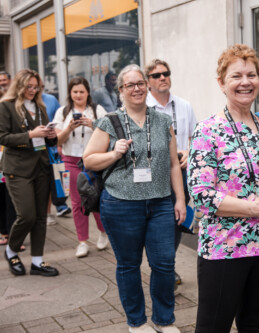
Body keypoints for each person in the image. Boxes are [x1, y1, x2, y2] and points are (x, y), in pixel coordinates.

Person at [188, 44, 259, 333]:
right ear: (221, 83)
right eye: (236, 76)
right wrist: (256, 208)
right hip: (227, 247)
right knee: (213, 327)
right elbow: (200, 194)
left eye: (251, 75)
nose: (245, 82)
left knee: (253, 325)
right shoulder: (208, 130)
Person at [83, 64, 185, 333]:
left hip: (161, 202)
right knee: (129, 265)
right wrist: (114, 154)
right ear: (121, 90)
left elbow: (174, 163)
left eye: (140, 83)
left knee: (164, 263)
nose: (137, 88)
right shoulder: (109, 122)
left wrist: (180, 200)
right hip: (120, 203)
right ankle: (137, 323)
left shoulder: (163, 121)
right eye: (130, 85)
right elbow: (90, 160)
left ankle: (165, 320)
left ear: (147, 86)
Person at [0, 69, 59, 277]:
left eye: (36, 87)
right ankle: (11, 250)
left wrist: (51, 135)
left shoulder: (40, 106)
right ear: (20, 86)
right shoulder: (6, 106)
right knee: (27, 215)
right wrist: (31, 134)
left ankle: (37, 262)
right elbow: (3, 138)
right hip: (17, 167)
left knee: (41, 216)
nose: (32, 90)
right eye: (29, 87)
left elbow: (48, 140)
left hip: (41, 165)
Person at [144, 58, 197, 289]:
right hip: (151, 176)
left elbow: (197, 139)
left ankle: (168, 265)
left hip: (180, 174)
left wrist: (189, 152)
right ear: (148, 82)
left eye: (166, 73)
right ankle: (160, 265)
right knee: (155, 221)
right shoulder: (142, 107)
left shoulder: (184, 105)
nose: (162, 77)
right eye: (156, 75)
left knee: (177, 220)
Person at [53, 77, 108, 258]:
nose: (78, 95)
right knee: (77, 203)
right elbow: (57, 141)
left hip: (94, 159)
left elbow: (110, 131)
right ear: (70, 93)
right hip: (70, 160)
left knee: (96, 198)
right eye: (75, 92)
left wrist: (91, 123)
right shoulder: (62, 112)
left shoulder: (97, 110)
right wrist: (68, 128)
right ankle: (82, 241)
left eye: (81, 92)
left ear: (88, 93)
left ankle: (102, 232)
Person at [0, 89, 17, 247]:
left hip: (11, 169)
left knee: (12, 203)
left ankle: (15, 238)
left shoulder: (10, 122)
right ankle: (4, 233)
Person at [43, 91, 72, 225]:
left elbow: (57, 123)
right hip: (34, 149)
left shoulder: (50, 100)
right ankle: (47, 212)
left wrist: (58, 144)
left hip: (51, 147)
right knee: (45, 182)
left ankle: (60, 205)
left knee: (56, 178)